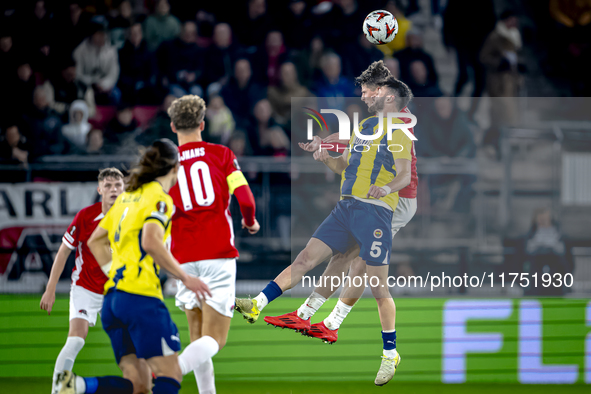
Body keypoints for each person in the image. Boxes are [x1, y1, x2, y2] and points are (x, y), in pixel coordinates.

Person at [236, 69, 415, 386]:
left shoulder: (400, 130)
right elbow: (345, 165)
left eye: (375, 91)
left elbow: (402, 176)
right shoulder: (365, 126)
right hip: (346, 207)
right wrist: (324, 157)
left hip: (376, 213)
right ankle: (257, 305)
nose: (368, 95)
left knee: (376, 285)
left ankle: (390, 353)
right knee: (306, 257)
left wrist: (386, 190)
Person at [55, 139, 211, 394]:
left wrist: (113, 273)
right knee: (170, 373)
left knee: (139, 384)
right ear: (174, 167)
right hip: (141, 298)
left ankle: (78, 385)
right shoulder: (159, 198)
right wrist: (185, 277)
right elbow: (151, 241)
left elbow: (96, 240)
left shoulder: (126, 197)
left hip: (113, 300)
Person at [164, 95, 259, 393]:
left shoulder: (166, 165)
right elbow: (245, 198)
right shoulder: (221, 154)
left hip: (181, 259)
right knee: (215, 340)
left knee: (198, 338)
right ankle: (170, 372)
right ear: (203, 124)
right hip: (216, 255)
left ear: (173, 126)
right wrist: (249, 220)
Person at [40, 168, 125, 394]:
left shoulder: (131, 217)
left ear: (124, 188)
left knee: (133, 347)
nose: (113, 190)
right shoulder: (85, 216)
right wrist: (50, 289)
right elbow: (63, 252)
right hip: (85, 288)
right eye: (108, 186)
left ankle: (145, 385)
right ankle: (57, 390)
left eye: (118, 185)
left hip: (115, 292)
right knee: (76, 341)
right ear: (99, 190)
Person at [73, 23, 120, 105]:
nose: (103, 37)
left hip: (105, 86)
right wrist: (91, 83)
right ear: (92, 35)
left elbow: (114, 73)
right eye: (99, 34)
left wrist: (103, 84)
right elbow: (77, 74)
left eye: (104, 34)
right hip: (85, 85)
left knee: (116, 94)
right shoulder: (80, 51)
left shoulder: (111, 50)